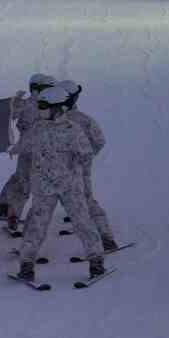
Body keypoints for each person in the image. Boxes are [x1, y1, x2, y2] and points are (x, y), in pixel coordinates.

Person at [14, 86, 103, 281]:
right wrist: (12, 147)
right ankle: (26, 264)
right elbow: (23, 146)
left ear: (58, 108)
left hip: (69, 186)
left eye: (45, 107)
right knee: (37, 225)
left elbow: (86, 154)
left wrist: (72, 170)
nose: (41, 110)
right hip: (43, 187)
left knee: (82, 222)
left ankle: (96, 259)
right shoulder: (37, 128)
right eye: (40, 106)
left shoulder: (73, 130)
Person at [59, 81, 120, 252]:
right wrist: (85, 158)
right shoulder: (84, 119)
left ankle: (105, 237)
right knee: (84, 199)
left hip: (58, 170)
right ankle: (105, 236)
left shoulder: (52, 119)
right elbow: (98, 141)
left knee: (81, 200)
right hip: (78, 169)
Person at [0, 73, 54, 220]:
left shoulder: (50, 106)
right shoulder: (28, 104)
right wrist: (15, 103)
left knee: (21, 178)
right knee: (25, 181)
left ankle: (4, 206)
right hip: (30, 149)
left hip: (40, 149)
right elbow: (10, 115)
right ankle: (12, 212)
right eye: (46, 89)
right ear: (35, 89)